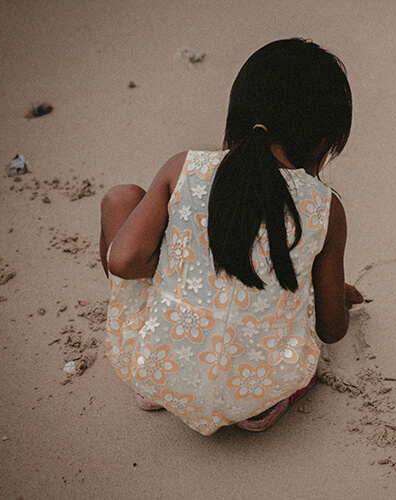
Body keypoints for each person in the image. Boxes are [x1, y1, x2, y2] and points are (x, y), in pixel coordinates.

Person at [99, 38, 363, 435]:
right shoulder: (325, 208)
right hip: (257, 394)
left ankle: (161, 382)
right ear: (323, 142)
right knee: (283, 299)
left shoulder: (185, 167)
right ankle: (263, 409)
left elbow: (123, 261)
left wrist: (178, 267)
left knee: (121, 200)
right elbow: (332, 330)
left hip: (158, 369)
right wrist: (334, 295)